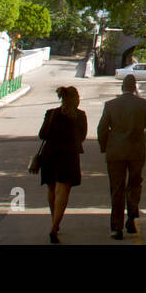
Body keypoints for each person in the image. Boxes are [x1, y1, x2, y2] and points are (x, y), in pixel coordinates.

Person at [97, 74, 146, 240]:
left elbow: (101, 129)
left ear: (122, 87)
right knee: (135, 184)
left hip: (115, 153)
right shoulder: (143, 104)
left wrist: (104, 147)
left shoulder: (110, 105)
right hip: (137, 152)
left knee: (117, 189)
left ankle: (116, 227)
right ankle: (131, 217)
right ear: (135, 87)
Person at [38, 85, 88, 244]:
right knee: (62, 191)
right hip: (68, 156)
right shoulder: (80, 116)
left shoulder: (51, 113)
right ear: (75, 99)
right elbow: (82, 137)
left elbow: (42, 134)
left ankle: (55, 222)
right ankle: (54, 226)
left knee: (52, 188)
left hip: (49, 155)